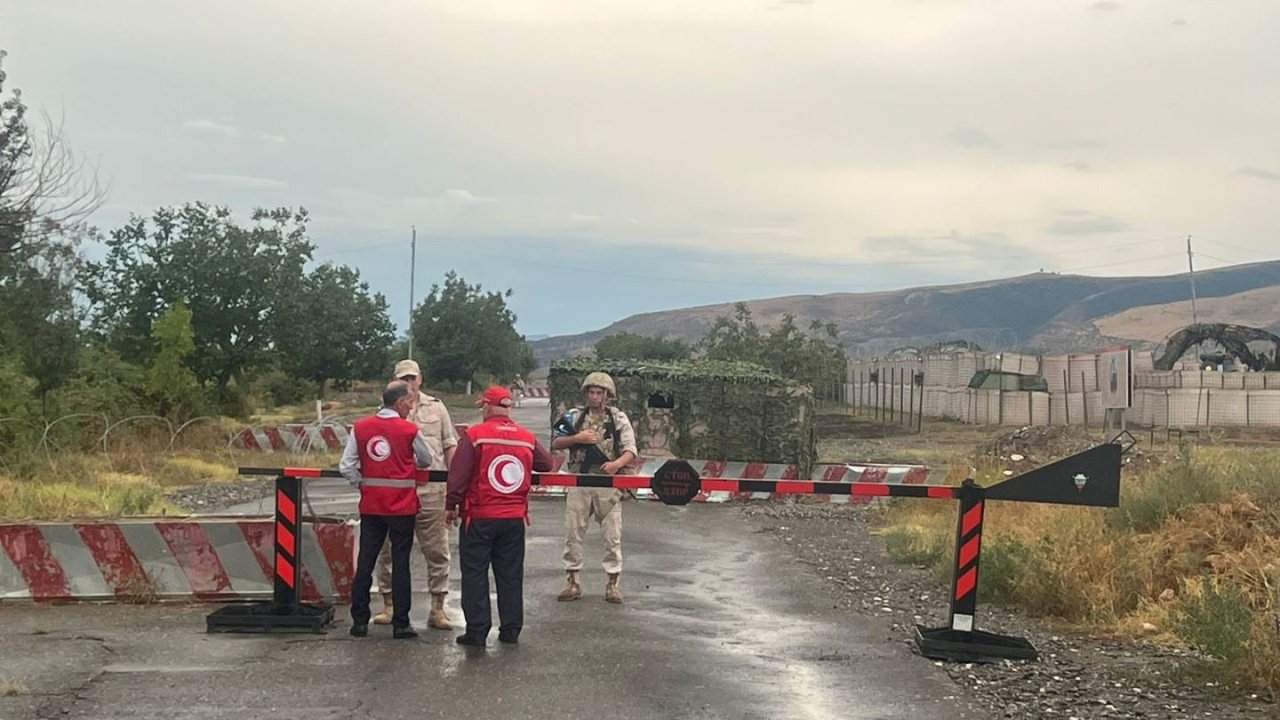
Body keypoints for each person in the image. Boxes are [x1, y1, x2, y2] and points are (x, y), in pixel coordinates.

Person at [446, 386, 553, 646]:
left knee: (475, 574)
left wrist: (451, 505)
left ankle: (477, 631)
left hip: (480, 517)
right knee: (510, 574)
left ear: (487, 406)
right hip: (514, 518)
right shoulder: (525, 437)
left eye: (483, 405)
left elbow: (458, 476)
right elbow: (546, 464)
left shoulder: (475, 435)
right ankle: (510, 630)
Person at [370, 359, 459, 631]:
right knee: (388, 551)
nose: (409, 384)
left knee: (437, 550)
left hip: (431, 491)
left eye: (412, 378)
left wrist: (453, 491)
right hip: (395, 491)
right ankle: (389, 604)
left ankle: (438, 608)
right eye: (403, 379)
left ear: (420, 378)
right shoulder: (386, 411)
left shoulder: (437, 407)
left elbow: (449, 445)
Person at [340, 380, 433, 639]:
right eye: (409, 403)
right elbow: (426, 459)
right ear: (400, 402)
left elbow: (346, 465)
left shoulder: (361, 428)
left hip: (372, 505)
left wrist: (362, 484)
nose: (410, 408)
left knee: (366, 560)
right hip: (402, 506)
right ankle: (401, 623)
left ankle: (359, 621)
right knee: (401, 563)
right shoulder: (409, 430)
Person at [551, 371, 637, 604]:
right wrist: (577, 438)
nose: (595, 396)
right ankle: (572, 581)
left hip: (608, 484)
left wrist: (616, 464)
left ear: (608, 395)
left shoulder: (618, 418)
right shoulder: (574, 416)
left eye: (599, 392)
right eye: (591, 391)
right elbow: (557, 441)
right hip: (579, 480)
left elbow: (630, 449)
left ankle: (612, 583)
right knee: (573, 533)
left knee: (612, 536)